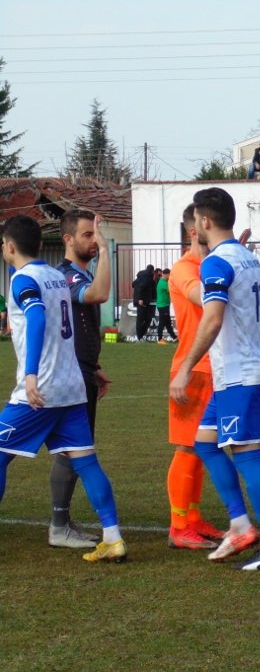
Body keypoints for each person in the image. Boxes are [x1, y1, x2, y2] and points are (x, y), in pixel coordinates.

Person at [169, 187, 260, 571]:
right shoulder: (248, 257)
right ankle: (240, 524)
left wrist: (187, 366)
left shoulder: (218, 262)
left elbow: (214, 316)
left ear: (203, 221)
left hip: (238, 374)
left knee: (247, 456)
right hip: (236, 374)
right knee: (205, 443)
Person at [0, 215, 127, 562]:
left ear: (9, 247)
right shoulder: (57, 277)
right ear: (41, 245)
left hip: (41, 390)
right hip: (72, 386)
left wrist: (29, 376)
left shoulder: (23, 279)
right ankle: (113, 537)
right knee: (87, 462)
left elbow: (38, 317)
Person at [48, 208, 112, 550]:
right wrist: (104, 251)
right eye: (87, 235)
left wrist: (93, 364)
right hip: (69, 378)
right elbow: (100, 294)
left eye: (95, 234)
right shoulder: (67, 277)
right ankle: (59, 524)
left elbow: (75, 329)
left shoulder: (77, 275)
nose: (93, 240)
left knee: (70, 449)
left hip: (80, 371)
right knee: (73, 450)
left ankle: (61, 522)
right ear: (68, 239)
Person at [165, 203, 227, 550]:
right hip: (191, 369)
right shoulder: (184, 268)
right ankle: (177, 525)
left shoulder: (214, 264)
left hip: (212, 368)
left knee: (205, 447)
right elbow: (199, 296)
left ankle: (192, 517)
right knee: (187, 448)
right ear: (195, 231)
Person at [132, 264, 155, 341]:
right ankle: (140, 336)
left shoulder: (141, 277)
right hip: (142, 301)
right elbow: (141, 287)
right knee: (145, 319)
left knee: (141, 319)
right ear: (152, 271)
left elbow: (133, 284)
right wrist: (140, 298)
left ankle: (140, 336)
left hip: (142, 301)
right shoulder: (147, 277)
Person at [155, 268, 177, 344]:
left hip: (164, 304)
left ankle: (174, 337)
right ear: (165, 274)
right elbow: (172, 289)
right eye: (169, 275)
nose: (170, 277)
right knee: (162, 322)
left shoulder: (163, 282)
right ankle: (159, 339)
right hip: (163, 305)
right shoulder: (163, 283)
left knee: (167, 322)